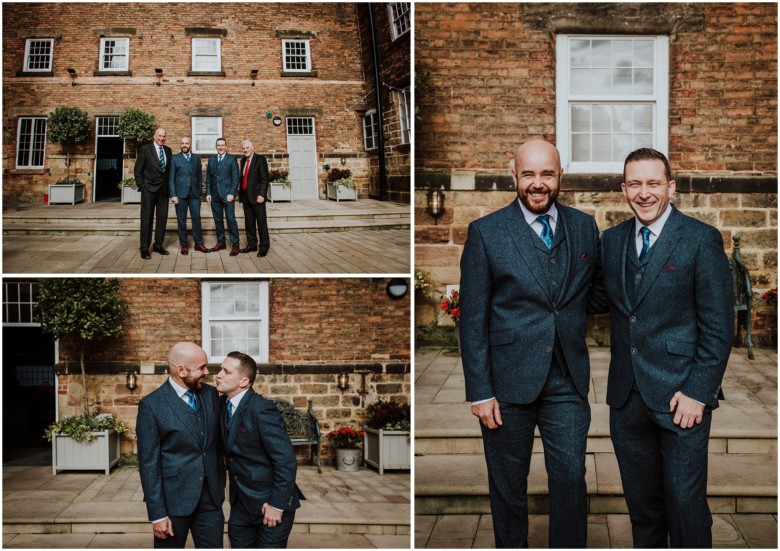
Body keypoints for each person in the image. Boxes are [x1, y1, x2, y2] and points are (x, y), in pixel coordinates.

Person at [459, 139, 600, 548]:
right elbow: (473, 319)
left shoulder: (583, 226)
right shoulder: (486, 233)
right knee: (508, 485)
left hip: (567, 380)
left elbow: (595, 291)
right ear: (514, 175)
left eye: (547, 174)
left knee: (571, 478)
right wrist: (480, 391)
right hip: (506, 384)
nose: (538, 184)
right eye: (529, 174)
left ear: (560, 176)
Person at [596, 148, 733, 547]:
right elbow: (595, 301)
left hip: (681, 399)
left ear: (670, 187)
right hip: (626, 400)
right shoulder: (612, 240)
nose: (644, 193)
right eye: (635, 184)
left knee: (686, 506)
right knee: (643, 510)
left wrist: (698, 392)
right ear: (624, 189)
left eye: (653, 183)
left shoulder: (699, 239)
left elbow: (719, 327)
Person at [136, 342, 225, 548]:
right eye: (201, 367)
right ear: (181, 370)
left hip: (211, 499)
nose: (207, 372)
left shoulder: (211, 394)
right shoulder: (151, 405)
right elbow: (148, 464)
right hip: (172, 503)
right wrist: (157, 515)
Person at [216, 351, 301, 548]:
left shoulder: (262, 409)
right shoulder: (222, 404)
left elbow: (286, 460)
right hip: (240, 504)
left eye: (226, 371)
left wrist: (277, 504)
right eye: (220, 369)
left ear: (244, 381)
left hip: (269, 504)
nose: (219, 374)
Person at [135, 127, 172, 260]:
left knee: (162, 219)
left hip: (163, 191)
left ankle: (158, 245)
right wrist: (142, 186)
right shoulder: (145, 149)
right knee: (146, 219)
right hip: (149, 190)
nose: (161, 138)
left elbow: (167, 171)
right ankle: (144, 248)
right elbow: (138, 169)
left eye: (164, 136)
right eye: (159, 136)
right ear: (154, 136)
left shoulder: (168, 150)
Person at [169, 136, 209, 255]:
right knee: (181, 220)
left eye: (187, 143)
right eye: (182, 143)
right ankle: (184, 245)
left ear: (190, 144)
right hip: (180, 194)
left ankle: (199, 243)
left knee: (196, 218)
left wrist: (200, 191)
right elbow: (171, 178)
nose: (184, 145)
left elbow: (199, 176)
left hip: (194, 194)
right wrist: (173, 195)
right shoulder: (175, 158)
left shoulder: (196, 158)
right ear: (180, 145)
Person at [206, 137, 240, 256]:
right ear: (216, 147)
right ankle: (221, 242)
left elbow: (235, 178)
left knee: (231, 219)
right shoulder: (211, 160)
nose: (220, 147)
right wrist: (208, 193)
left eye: (222, 145)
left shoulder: (232, 159)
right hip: (215, 196)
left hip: (227, 196)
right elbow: (208, 178)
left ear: (226, 146)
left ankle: (235, 244)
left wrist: (232, 193)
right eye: (218, 145)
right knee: (218, 220)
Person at [238, 139, 271, 257]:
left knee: (261, 223)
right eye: (243, 148)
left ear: (252, 148)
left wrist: (262, 195)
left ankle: (264, 247)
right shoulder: (242, 161)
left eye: (247, 148)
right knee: (249, 223)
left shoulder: (260, 159)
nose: (245, 150)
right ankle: (252, 245)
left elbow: (264, 179)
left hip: (258, 197)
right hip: (246, 196)